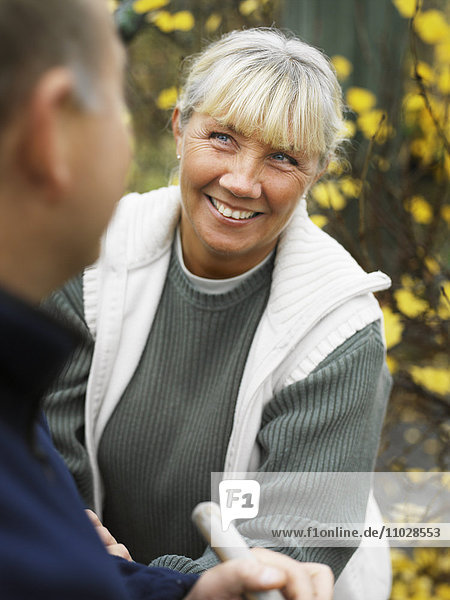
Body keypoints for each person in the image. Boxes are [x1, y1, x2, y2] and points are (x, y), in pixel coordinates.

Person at [43, 26, 392, 599]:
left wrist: (150, 586)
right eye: (223, 138)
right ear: (181, 127)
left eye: (282, 157)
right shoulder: (88, 255)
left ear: (318, 172)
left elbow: (292, 540)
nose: (241, 182)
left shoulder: (340, 327)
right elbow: (42, 447)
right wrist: (79, 546)